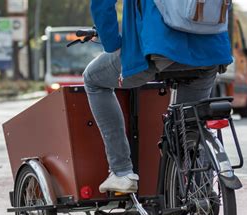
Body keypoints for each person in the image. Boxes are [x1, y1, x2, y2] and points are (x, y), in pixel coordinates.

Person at [84, 0, 233, 194]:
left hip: (159, 48)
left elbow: (102, 5)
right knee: (189, 124)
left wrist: (113, 44)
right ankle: (200, 196)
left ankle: (121, 171)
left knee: (93, 79)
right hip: (212, 51)